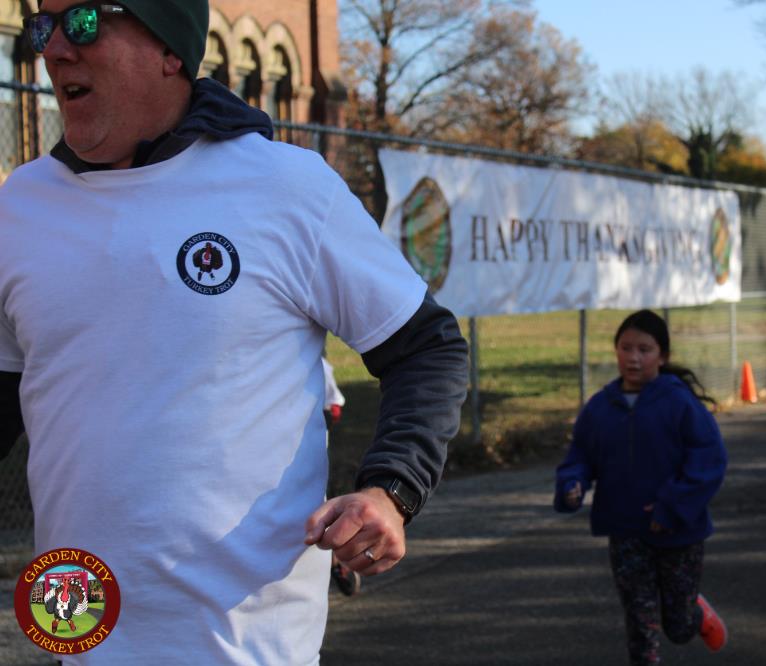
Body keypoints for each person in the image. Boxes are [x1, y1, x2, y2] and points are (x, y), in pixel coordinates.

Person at [0, 1, 468, 663]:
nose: (52, 49)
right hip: (77, 627)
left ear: (170, 48)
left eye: (82, 23)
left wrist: (389, 490)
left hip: (244, 641)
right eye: (43, 27)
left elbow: (426, 348)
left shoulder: (285, 186)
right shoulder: (21, 206)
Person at [554, 309, 728, 665]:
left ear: (662, 356)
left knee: (678, 627)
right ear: (616, 350)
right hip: (626, 532)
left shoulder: (679, 403)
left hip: (679, 533)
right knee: (640, 622)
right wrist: (573, 483)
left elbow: (709, 461)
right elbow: (580, 456)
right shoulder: (600, 408)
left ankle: (695, 613)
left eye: (644, 350)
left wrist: (671, 506)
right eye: (626, 348)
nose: (633, 358)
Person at [321, 357, 360, 597]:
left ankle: (336, 561)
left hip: (307, 452)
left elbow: (334, 405)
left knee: (320, 503)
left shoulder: (314, 363)